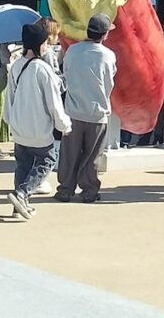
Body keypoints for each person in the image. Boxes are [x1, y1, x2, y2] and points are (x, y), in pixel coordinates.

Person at [4, 23, 71, 221]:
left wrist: (10, 121)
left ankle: (19, 208)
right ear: (40, 45)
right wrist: (64, 125)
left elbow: (10, 99)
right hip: (39, 128)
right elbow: (54, 102)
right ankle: (22, 194)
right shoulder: (43, 69)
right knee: (47, 160)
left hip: (19, 126)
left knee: (23, 166)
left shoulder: (16, 66)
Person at [55, 14, 116, 203]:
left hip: (73, 110)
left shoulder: (72, 50)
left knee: (69, 155)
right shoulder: (108, 55)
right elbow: (109, 82)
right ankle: (89, 190)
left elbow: (65, 73)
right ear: (105, 35)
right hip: (97, 112)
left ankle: (65, 189)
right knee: (92, 156)